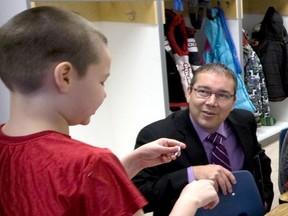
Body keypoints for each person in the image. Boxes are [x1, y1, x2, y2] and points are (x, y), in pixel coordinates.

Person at [0, 6, 219, 216]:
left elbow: (59, 195)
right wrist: (190, 199)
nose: (104, 94)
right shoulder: (91, 162)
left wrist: (129, 164)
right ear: (65, 76)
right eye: (102, 82)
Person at [132, 63, 274, 215]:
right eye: (203, 92)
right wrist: (192, 174)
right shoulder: (157, 135)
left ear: (233, 102)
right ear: (188, 93)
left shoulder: (244, 121)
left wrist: (263, 201)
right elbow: (139, 196)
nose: (211, 102)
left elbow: (260, 162)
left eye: (223, 95)